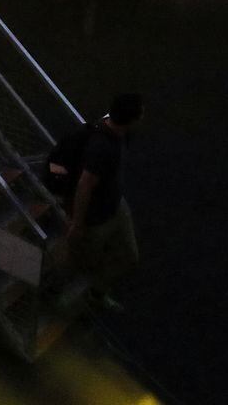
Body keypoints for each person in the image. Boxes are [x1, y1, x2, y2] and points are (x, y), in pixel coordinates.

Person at [67, 92, 143, 312]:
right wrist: (77, 223)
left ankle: (96, 292)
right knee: (77, 259)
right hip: (97, 216)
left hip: (115, 205)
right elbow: (85, 185)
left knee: (129, 256)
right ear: (132, 119)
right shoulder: (103, 147)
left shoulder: (117, 131)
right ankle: (54, 290)